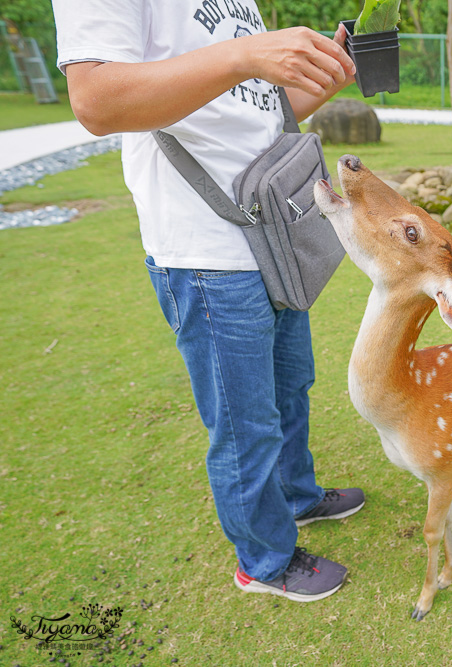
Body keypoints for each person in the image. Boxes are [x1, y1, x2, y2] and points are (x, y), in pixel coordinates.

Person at [52, 1, 367, 602]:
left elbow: (253, 119)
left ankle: (297, 497)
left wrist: (321, 76)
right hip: (204, 249)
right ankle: (264, 561)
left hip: (271, 233)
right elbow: (95, 100)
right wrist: (246, 53)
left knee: (290, 387)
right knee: (245, 421)